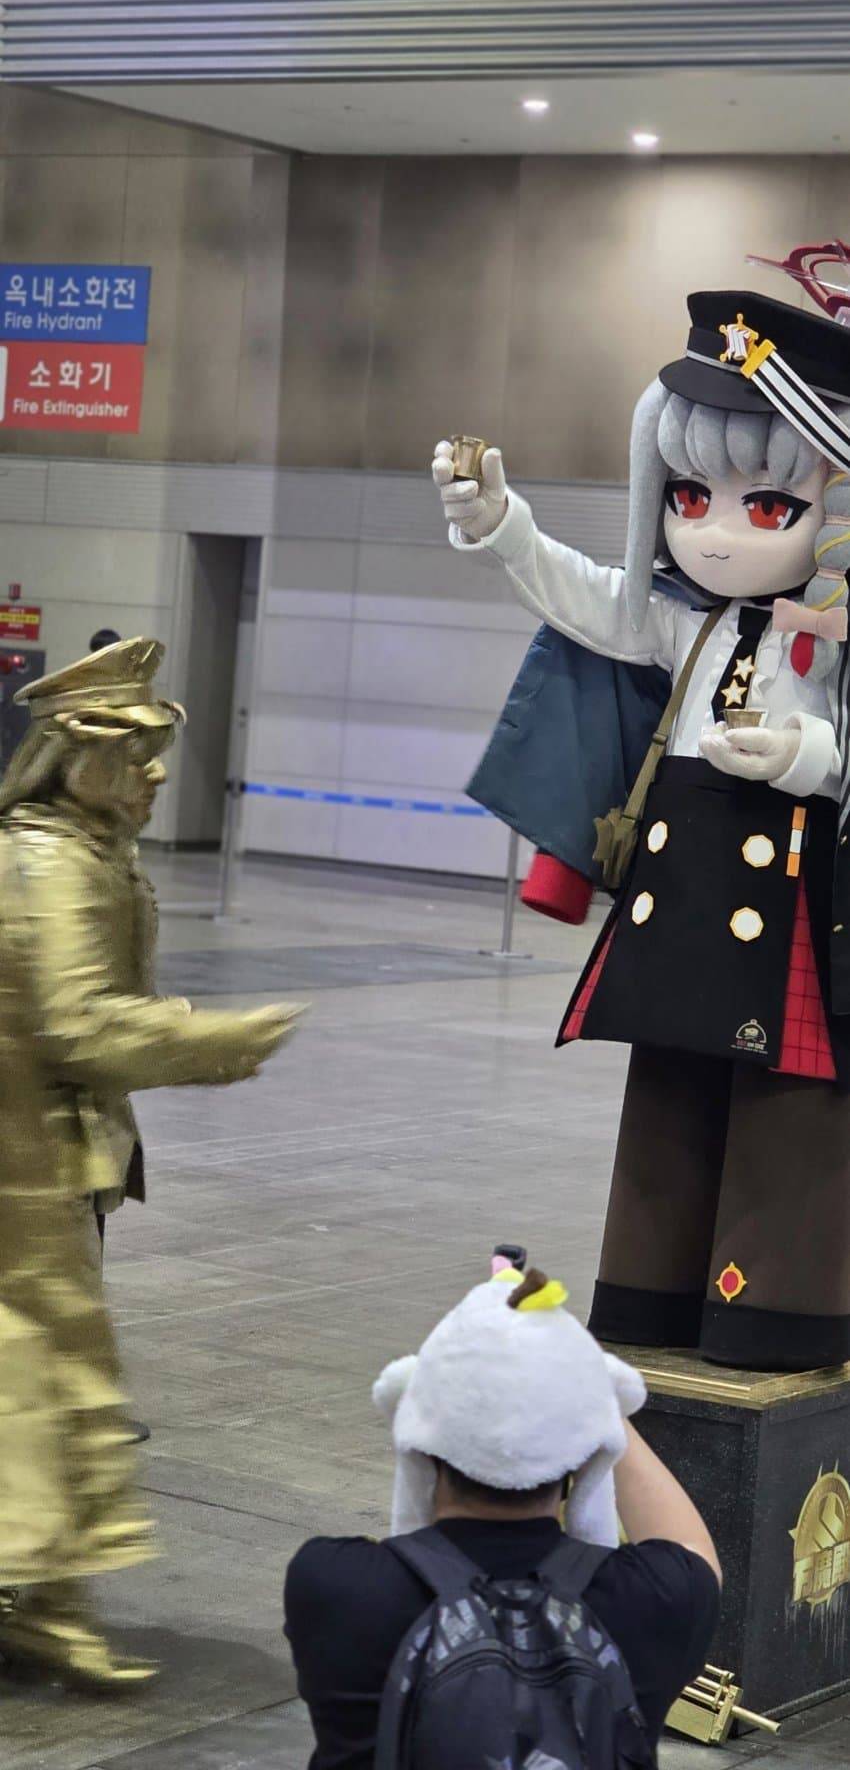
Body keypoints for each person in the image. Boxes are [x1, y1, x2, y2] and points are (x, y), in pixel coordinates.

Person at [434, 290, 850, 1372]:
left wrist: (808, 757)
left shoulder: (835, 636)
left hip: (803, 896)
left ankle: (771, 1308)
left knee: (787, 1108)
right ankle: (651, 1287)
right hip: (683, 885)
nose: (711, 532)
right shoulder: (683, 617)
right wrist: (503, 525)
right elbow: (592, 599)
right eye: (688, 496)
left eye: (767, 506)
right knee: (666, 1091)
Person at [0, 636, 301, 1690]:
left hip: (46, 1150)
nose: (156, 773)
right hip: (23, 1157)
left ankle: (44, 1594)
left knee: (46, 1366)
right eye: (132, 755)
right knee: (45, 1367)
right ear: (73, 758)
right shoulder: (51, 864)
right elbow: (78, 1023)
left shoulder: (81, 851)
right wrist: (210, 1041)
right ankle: (44, 1598)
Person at [285, 1259, 720, 1769]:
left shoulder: (336, 1587)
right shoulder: (654, 1600)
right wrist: (587, 1392)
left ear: (422, 1440)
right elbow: (695, 1552)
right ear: (585, 1455)